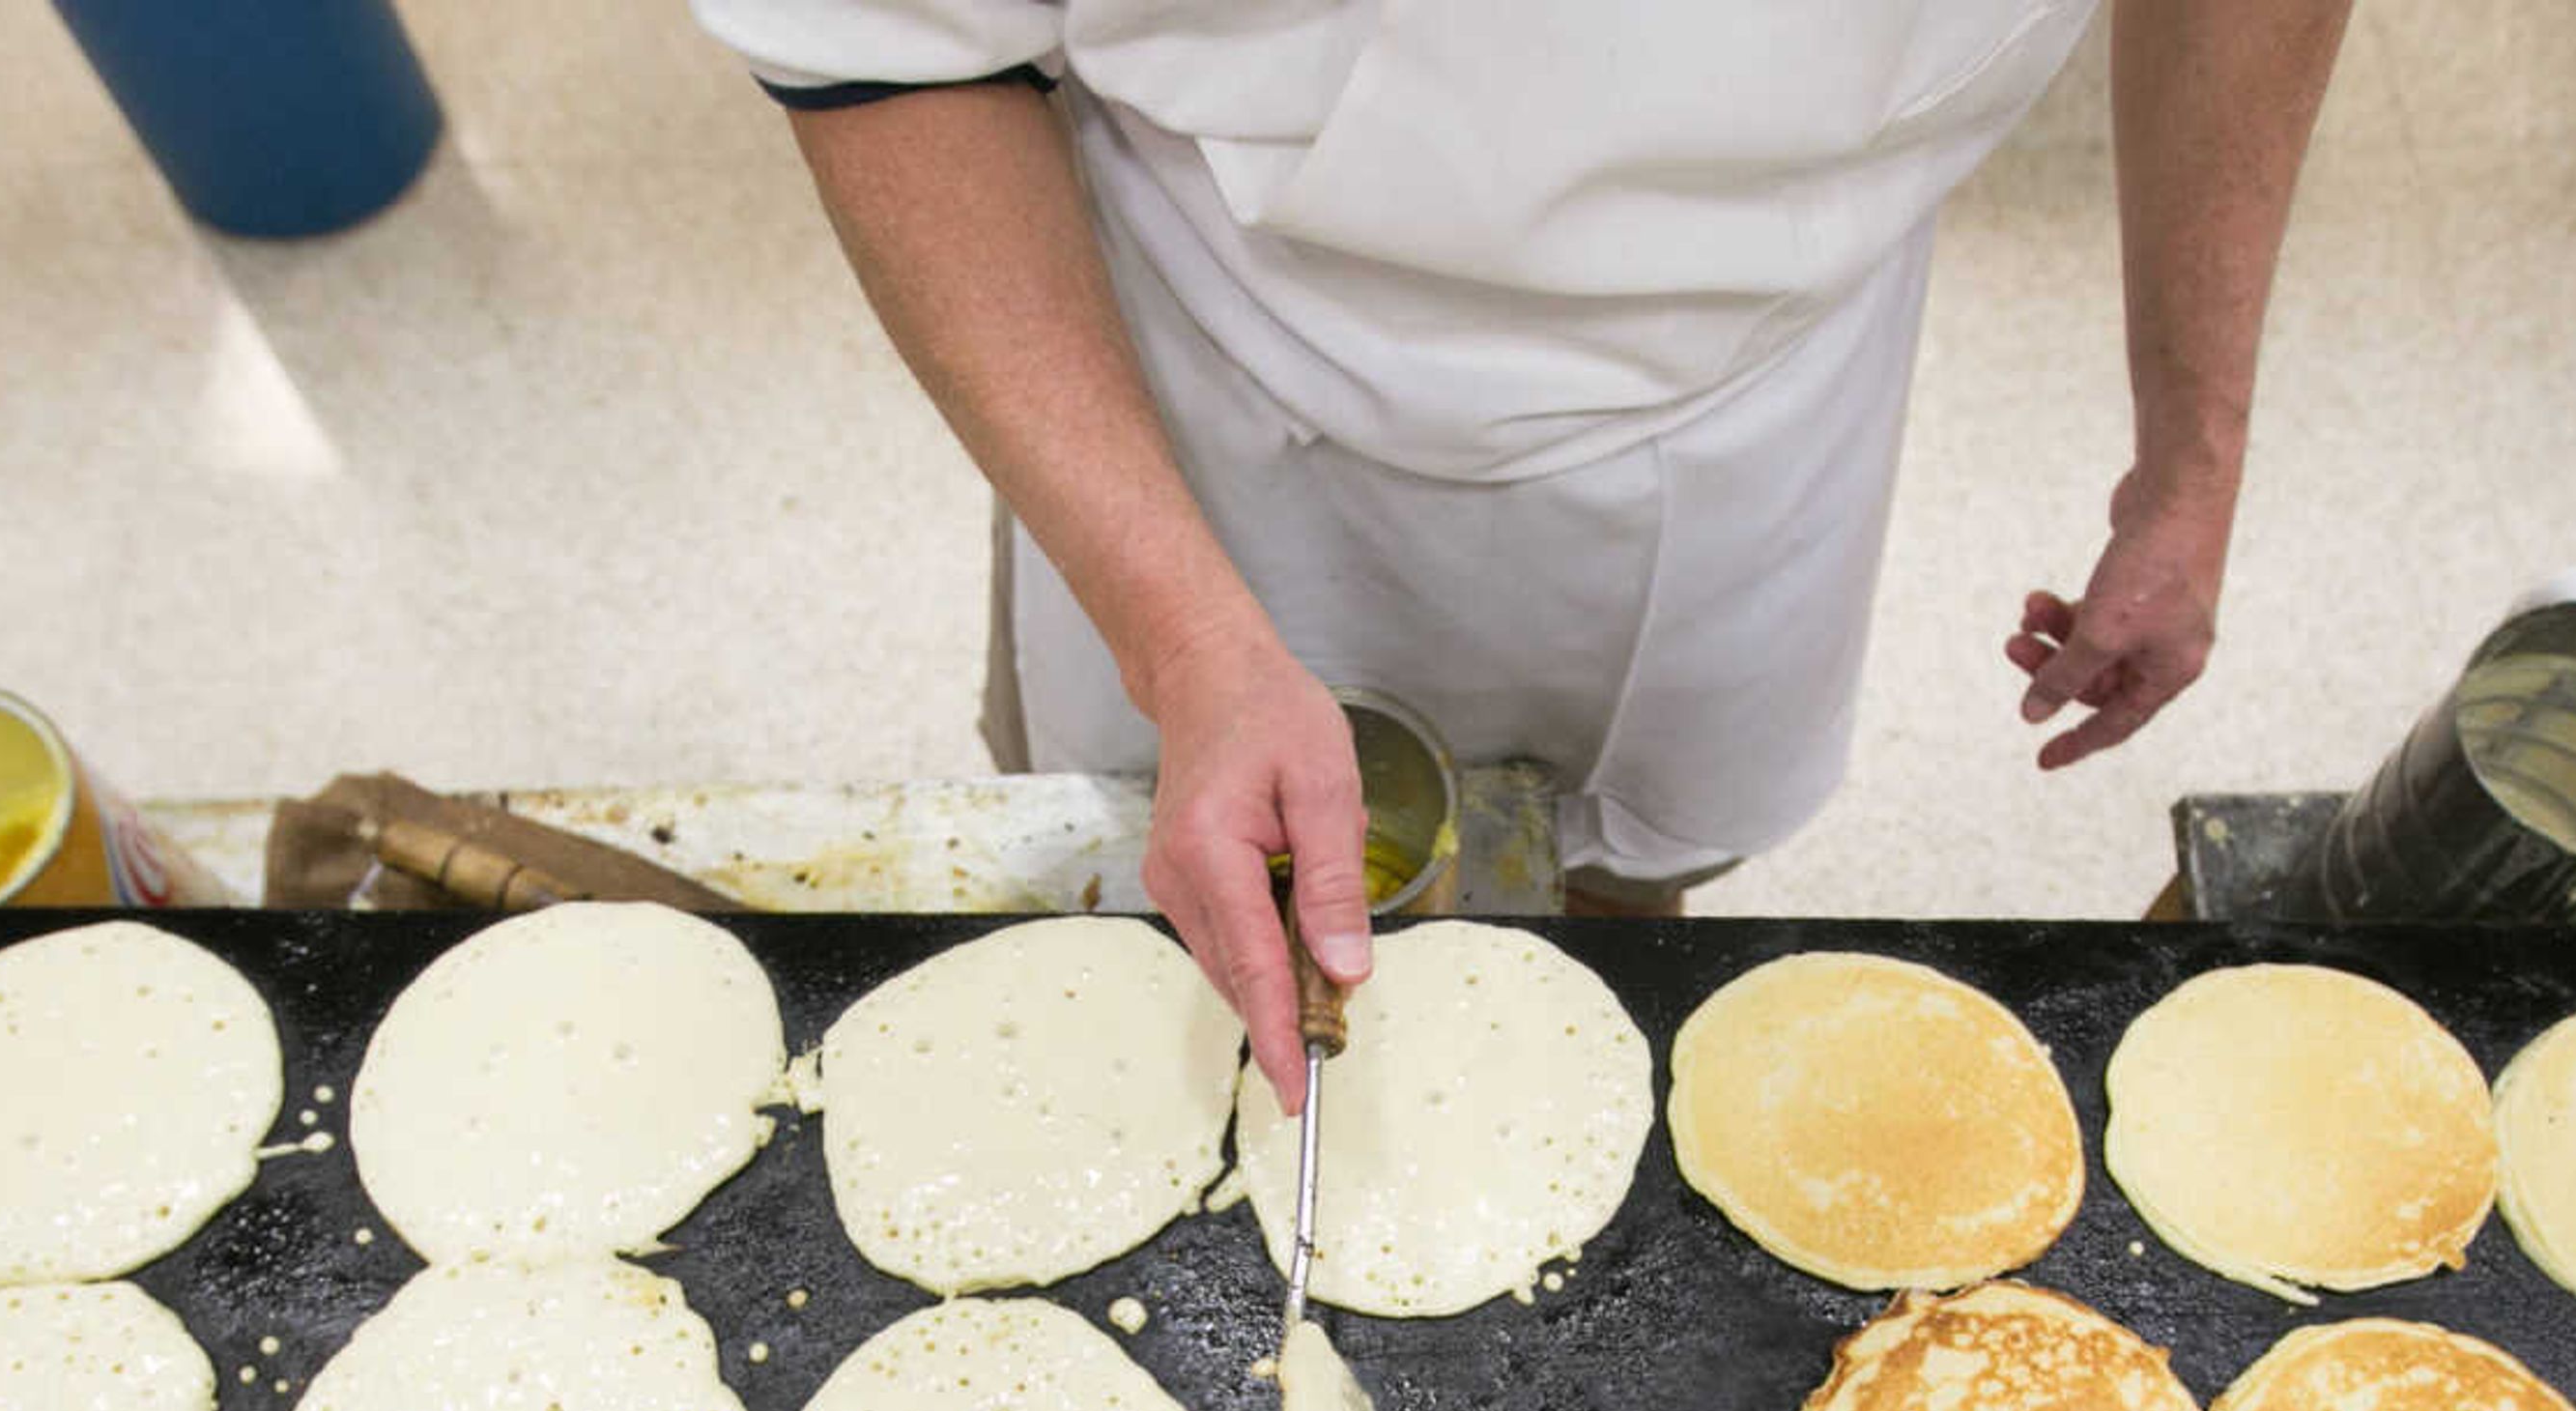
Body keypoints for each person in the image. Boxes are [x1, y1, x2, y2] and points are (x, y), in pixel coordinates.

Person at [694, 0, 2353, 1108]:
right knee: (1164, 900)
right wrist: (1181, 636)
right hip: (1212, 340)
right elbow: (883, 38)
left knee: (1623, 912)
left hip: (1750, 366)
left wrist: (2194, 453)